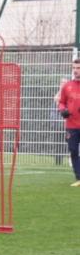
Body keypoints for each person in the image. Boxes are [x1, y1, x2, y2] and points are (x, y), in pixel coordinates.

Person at [57, 59, 80, 187]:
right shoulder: (68, 86)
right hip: (71, 126)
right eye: (74, 68)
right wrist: (63, 110)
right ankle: (79, 177)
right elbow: (61, 102)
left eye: (78, 68)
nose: (76, 70)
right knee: (73, 150)